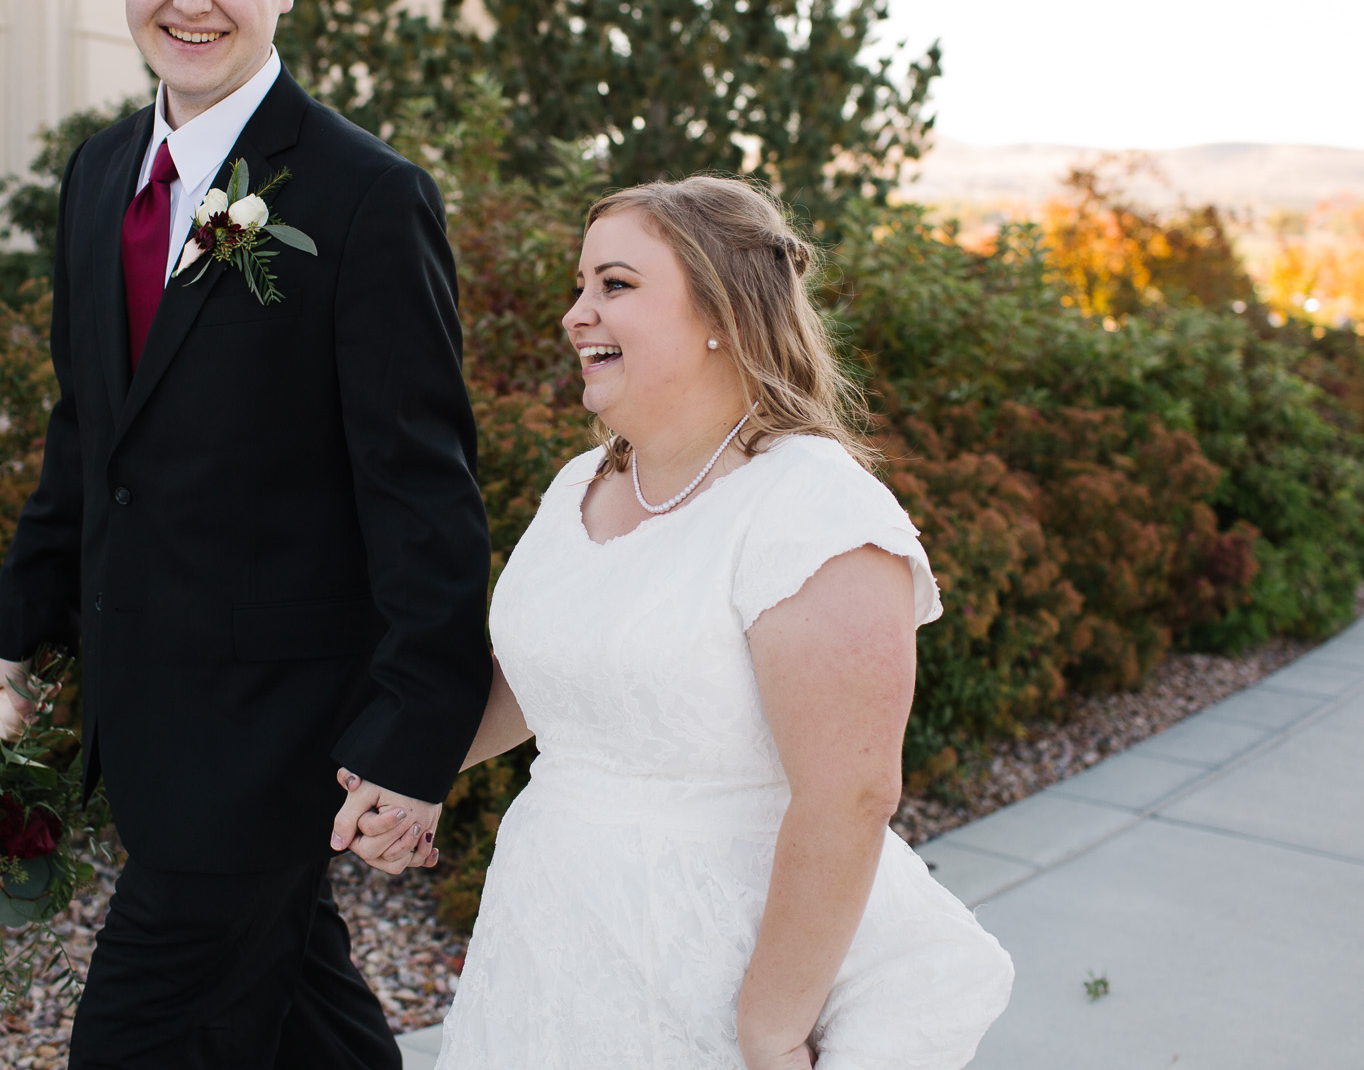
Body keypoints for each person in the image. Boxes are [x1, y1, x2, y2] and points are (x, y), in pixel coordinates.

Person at [0, 0, 492, 1069]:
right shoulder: (99, 174)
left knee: (138, 1037)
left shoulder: (366, 197)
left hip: (275, 731)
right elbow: (88, 431)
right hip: (144, 707)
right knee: (305, 1011)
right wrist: (21, 628)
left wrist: (415, 739)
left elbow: (422, 492)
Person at [409, 177, 1014, 1068]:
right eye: (579, 286)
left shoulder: (812, 506)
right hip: (551, 938)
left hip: (721, 956)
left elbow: (849, 795)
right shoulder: (581, 485)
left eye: (615, 284)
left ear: (723, 311)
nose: (576, 314)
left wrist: (771, 1029)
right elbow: (552, 685)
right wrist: (412, 766)